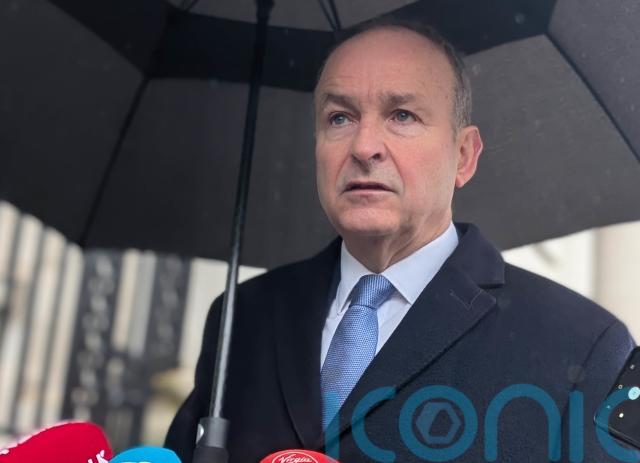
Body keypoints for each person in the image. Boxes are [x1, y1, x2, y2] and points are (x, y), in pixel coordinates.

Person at [165, 21, 636, 462]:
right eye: (339, 118)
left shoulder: (585, 346)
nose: (363, 146)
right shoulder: (242, 319)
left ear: (464, 156)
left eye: (402, 115)